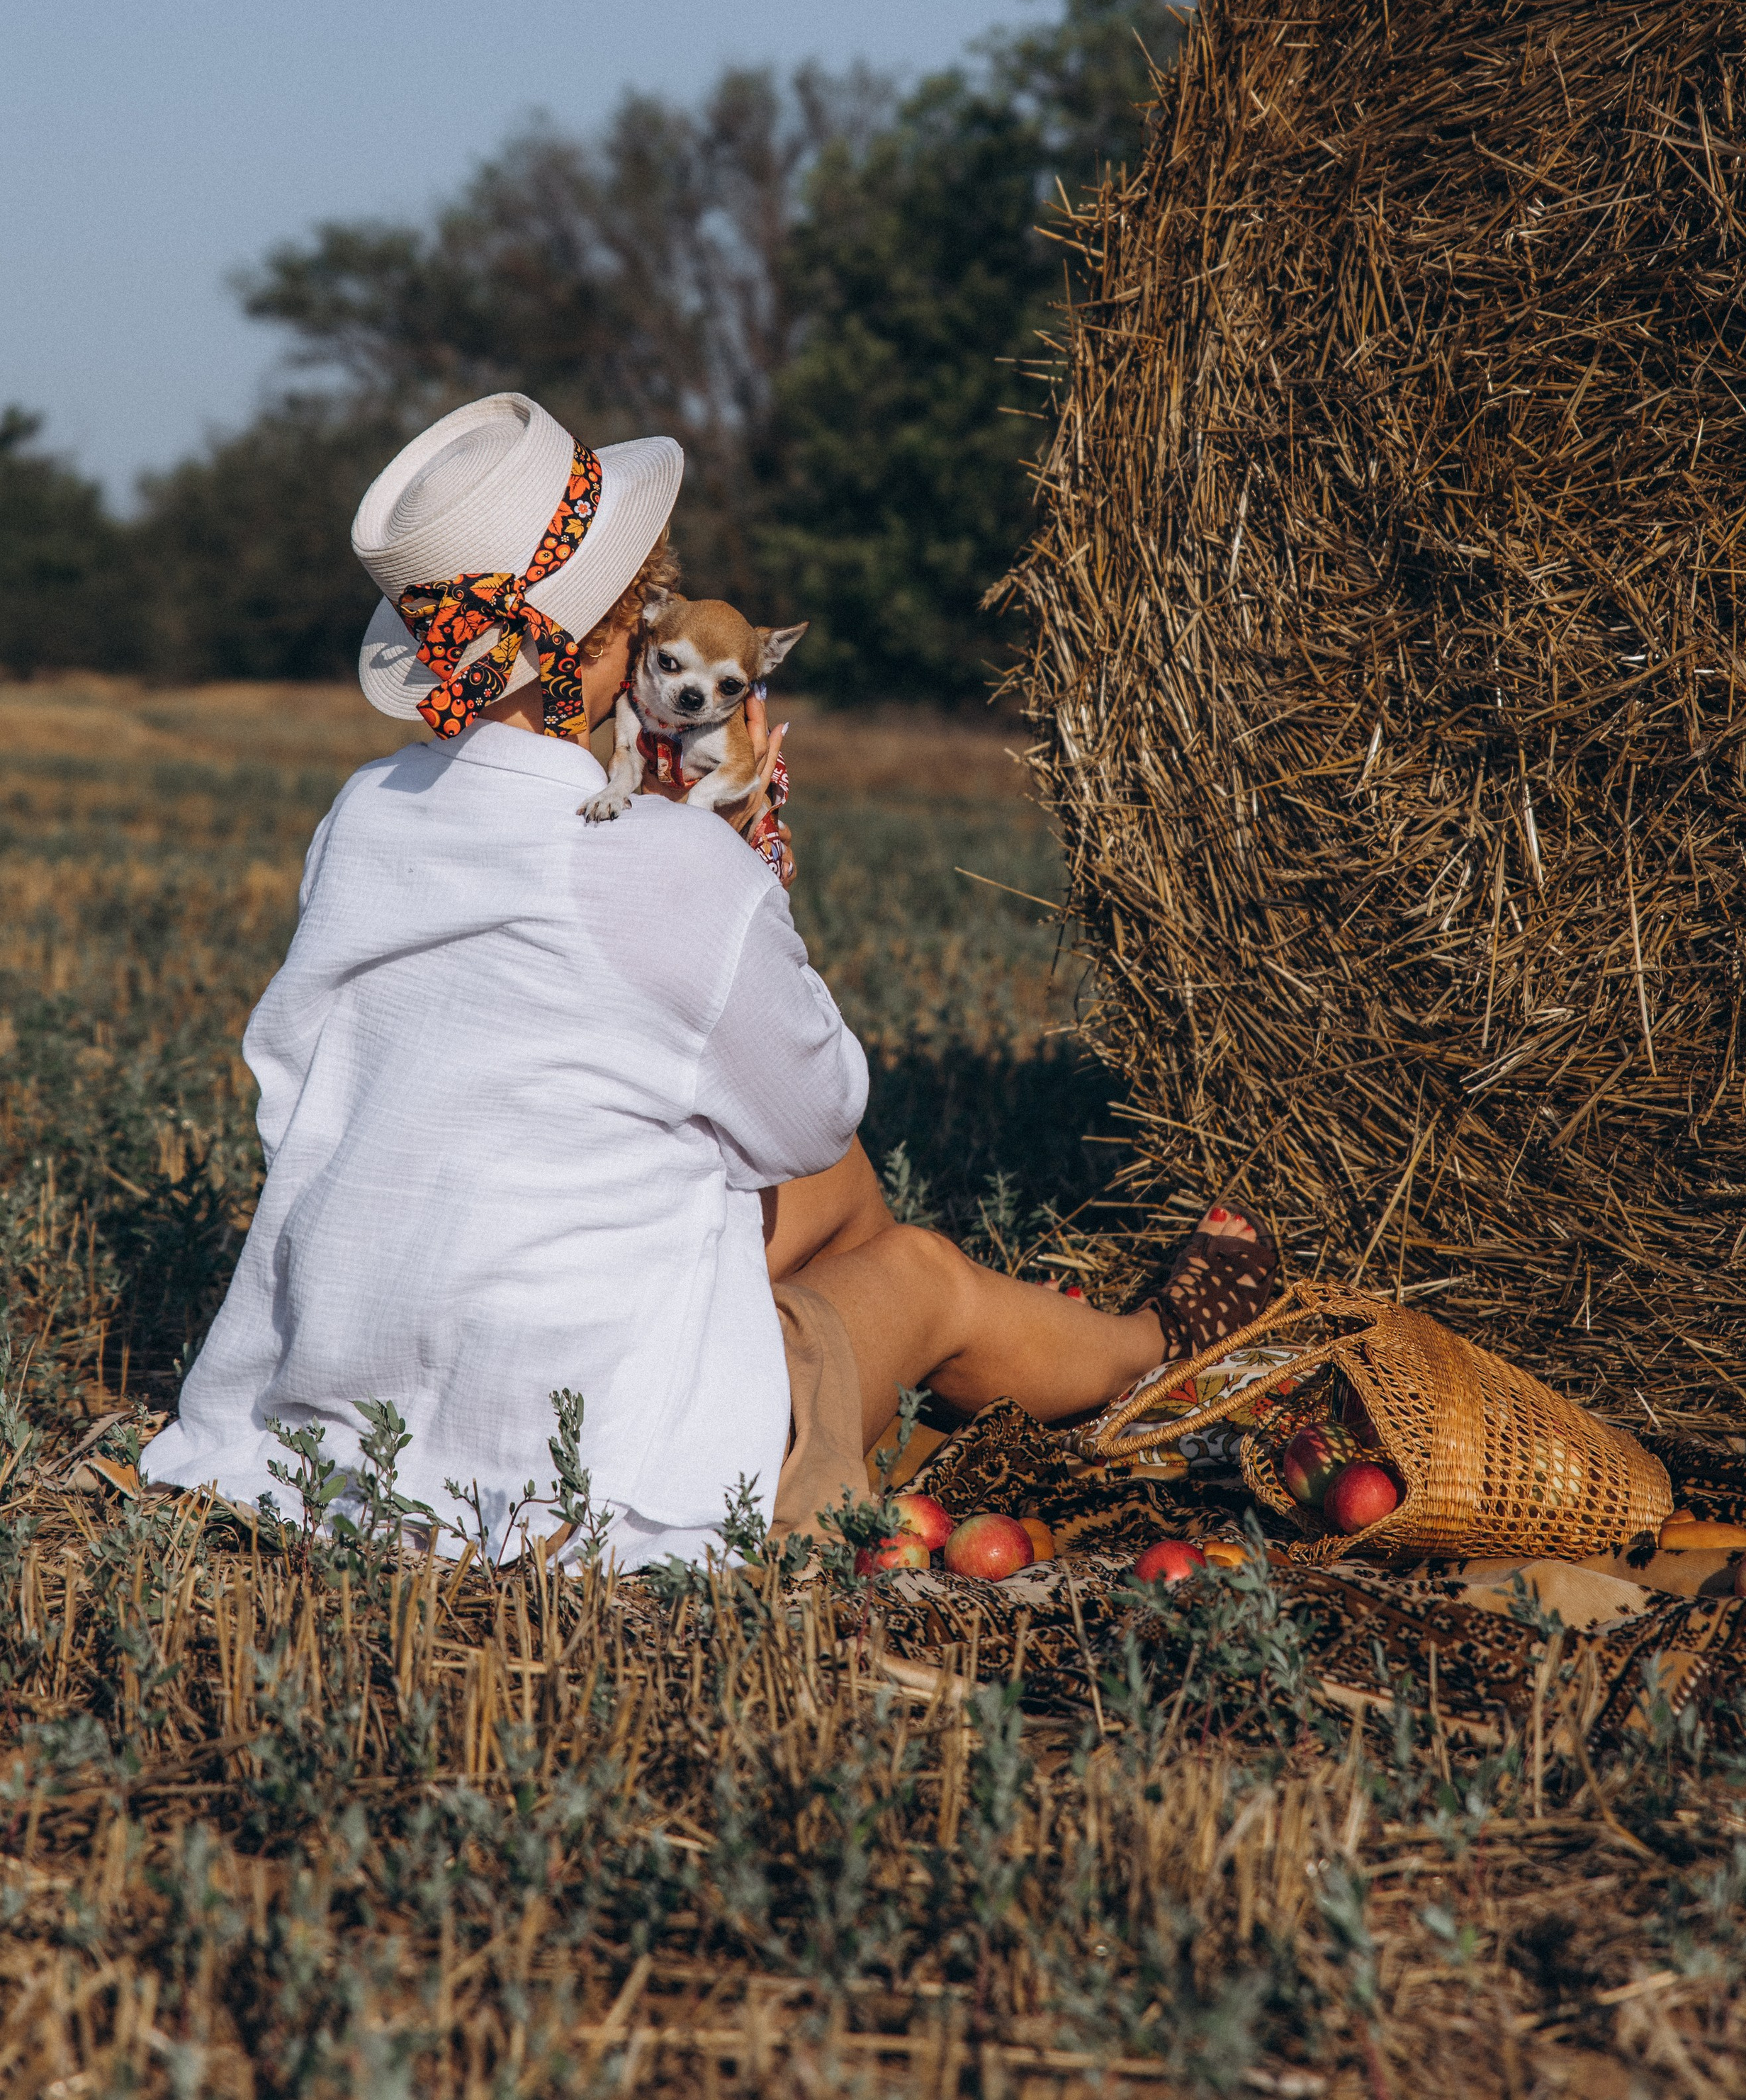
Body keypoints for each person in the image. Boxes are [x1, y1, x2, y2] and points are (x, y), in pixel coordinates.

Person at [142, 395, 1276, 1565]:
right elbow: (818, 1100)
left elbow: (291, 1087)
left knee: (832, 1187)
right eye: (640, 619)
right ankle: (1149, 1350)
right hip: (579, 1434)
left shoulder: (363, 817)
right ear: (603, 642)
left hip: (354, 1356)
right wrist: (753, 874)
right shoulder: (671, 860)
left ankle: (872, 1419)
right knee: (920, 1266)